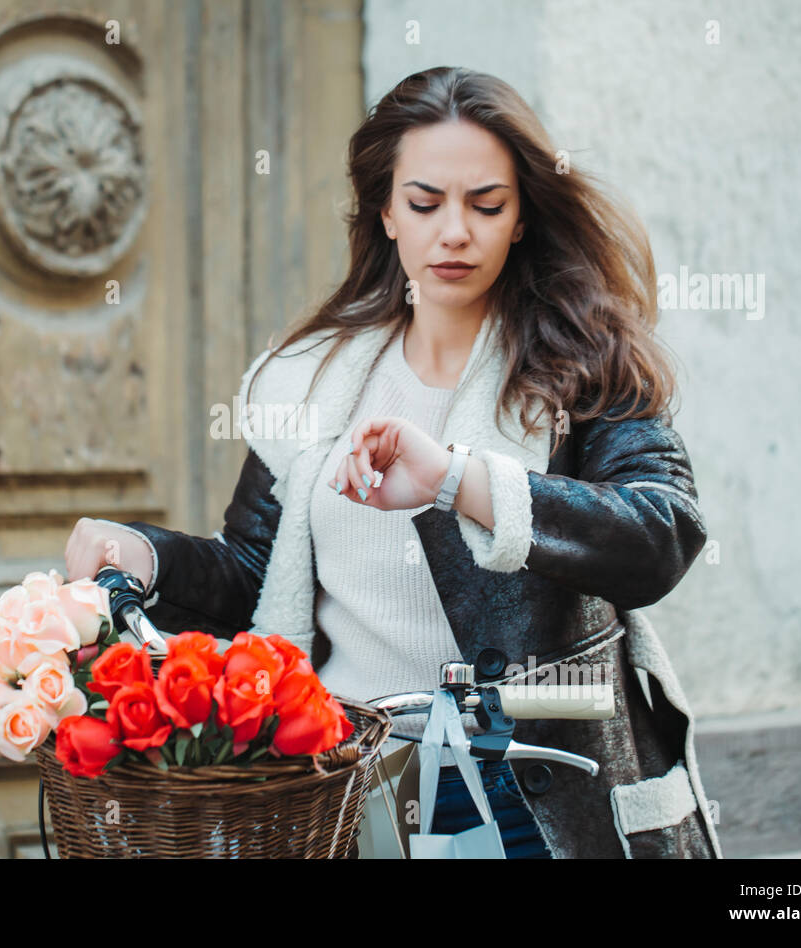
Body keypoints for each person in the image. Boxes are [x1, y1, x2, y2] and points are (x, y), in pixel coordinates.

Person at [65, 67, 722, 859]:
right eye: (425, 203)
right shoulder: (309, 376)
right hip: (349, 782)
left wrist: (456, 480)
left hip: (532, 788)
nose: (455, 232)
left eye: (487, 205)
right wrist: (147, 554)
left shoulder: (582, 367)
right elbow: (254, 572)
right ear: (384, 211)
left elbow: (661, 534)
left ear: (521, 219)